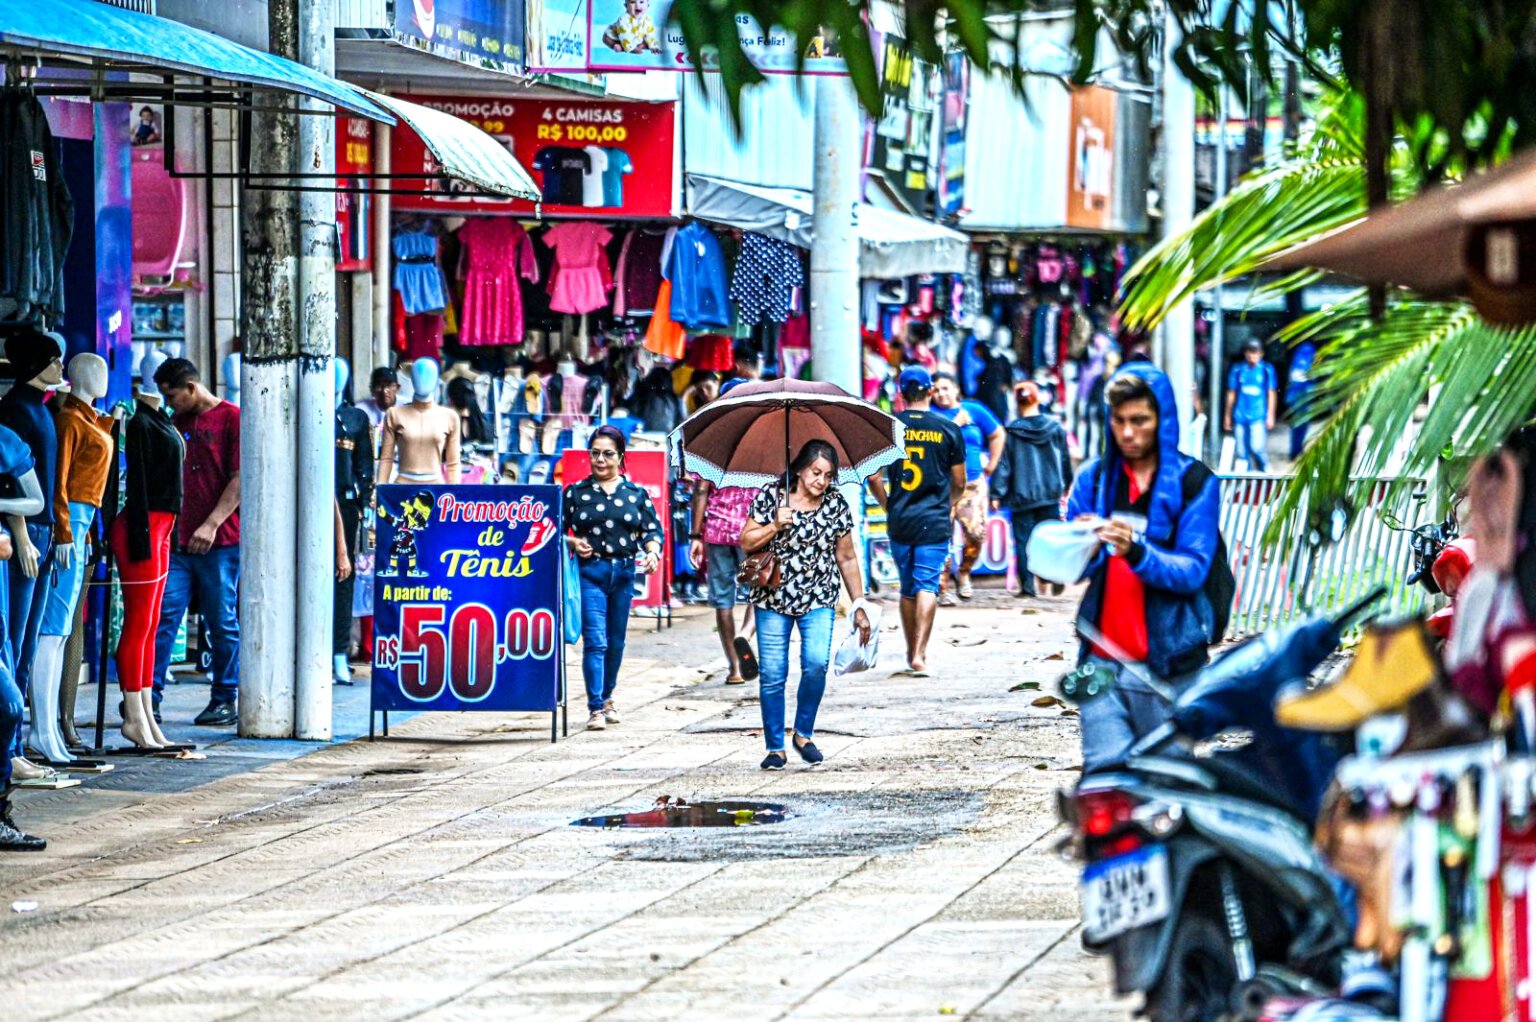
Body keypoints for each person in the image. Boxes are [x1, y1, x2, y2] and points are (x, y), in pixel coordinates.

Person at [1066, 364, 1221, 771]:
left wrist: (1137, 552)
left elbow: (1192, 570)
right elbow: (1068, 573)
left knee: (1166, 778)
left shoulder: (1195, 482)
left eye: (1140, 421)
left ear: (1162, 420)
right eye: (1119, 421)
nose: (1128, 433)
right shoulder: (1094, 479)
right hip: (1100, 657)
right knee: (1104, 778)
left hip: (1169, 664)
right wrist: (1077, 542)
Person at [739, 440, 871, 770]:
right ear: (799, 469)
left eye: (828, 475)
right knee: (773, 673)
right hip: (772, 596)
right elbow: (746, 541)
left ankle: (803, 733)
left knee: (815, 663)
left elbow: (846, 557)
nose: (821, 481)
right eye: (815, 473)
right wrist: (774, 526)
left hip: (819, 596)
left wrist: (859, 603)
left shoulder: (835, 503)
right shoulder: (771, 496)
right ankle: (775, 747)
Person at [152, 358, 242, 727]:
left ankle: (225, 697)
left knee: (221, 621)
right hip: (177, 541)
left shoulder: (232, 418)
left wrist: (211, 524)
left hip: (221, 541)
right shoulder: (176, 422)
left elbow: (240, 478)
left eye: (172, 396)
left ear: (191, 387)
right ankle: (148, 698)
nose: (169, 403)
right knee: (163, 616)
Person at [563, 426, 664, 732]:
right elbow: (553, 529)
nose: (600, 460)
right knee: (596, 642)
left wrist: (653, 552)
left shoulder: (636, 494)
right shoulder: (575, 493)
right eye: (595, 453)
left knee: (616, 642)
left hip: (623, 574)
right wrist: (571, 542)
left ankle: (608, 697)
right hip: (589, 573)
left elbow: (652, 530)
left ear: (620, 456)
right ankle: (595, 707)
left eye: (608, 454)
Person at [871, 367, 965, 676]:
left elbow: (873, 477)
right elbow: (959, 482)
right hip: (934, 519)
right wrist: (948, 505)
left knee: (908, 588)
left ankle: (910, 650)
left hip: (900, 519)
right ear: (930, 391)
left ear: (900, 393)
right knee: (928, 584)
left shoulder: (889, 428)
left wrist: (888, 505)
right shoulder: (948, 429)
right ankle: (920, 654)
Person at [688, 380, 757, 685]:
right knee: (761, 592)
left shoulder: (711, 440)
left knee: (723, 600)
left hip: (716, 531)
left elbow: (701, 490)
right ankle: (746, 634)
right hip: (752, 530)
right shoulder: (761, 438)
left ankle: (734, 668)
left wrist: (695, 536)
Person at [991, 382, 1073, 597]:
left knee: (1024, 542)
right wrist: (1067, 483)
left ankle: (1028, 587)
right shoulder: (1055, 428)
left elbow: (1004, 465)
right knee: (1052, 538)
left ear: (1017, 402)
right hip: (1050, 493)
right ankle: (1055, 576)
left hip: (1022, 496)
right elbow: (1065, 459)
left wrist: (996, 493)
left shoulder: (1013, 431)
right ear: (1037, 399)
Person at [930, 371, 1005, 604]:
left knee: (976, 534)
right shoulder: (930, 414)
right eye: (936, 390)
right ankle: (942, 589)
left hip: (972, 484)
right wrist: (956, 424)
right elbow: (934, 444)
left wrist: (991, 465)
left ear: (956, 389)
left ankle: (964, 573)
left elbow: (997, 434)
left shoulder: (974, 409)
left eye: (945, 388)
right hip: (941, 485)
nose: (941, 394)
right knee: (941, 536)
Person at [1224, 338, 1277, 471]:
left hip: (1258, 416)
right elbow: (1232, 393)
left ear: (1261, 354)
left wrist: (1271, 415)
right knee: (1241, 452)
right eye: (1250, 352)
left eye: (1256, 353)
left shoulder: (1266, 370)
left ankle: (1265, 471)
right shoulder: (1238, 370)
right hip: (1240, 415)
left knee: (1257, 447)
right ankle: (1247, 477)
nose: (1253, 356)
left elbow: (1271, 393)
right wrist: (1227, 415)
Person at [1286, 340, 1317, 459]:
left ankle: (1296, 450)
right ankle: (1296, 450)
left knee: (1298, 425)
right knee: (1301, 424)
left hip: (1299, 397)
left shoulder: (1297, 359)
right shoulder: (1308, 357)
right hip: (1302, 397)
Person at [357, 366, 398, 432]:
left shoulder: (406, 408)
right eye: (379, 386)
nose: (384, 391)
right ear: (372, 390)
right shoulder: (361, 410)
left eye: (389, 385)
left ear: (397, 388)